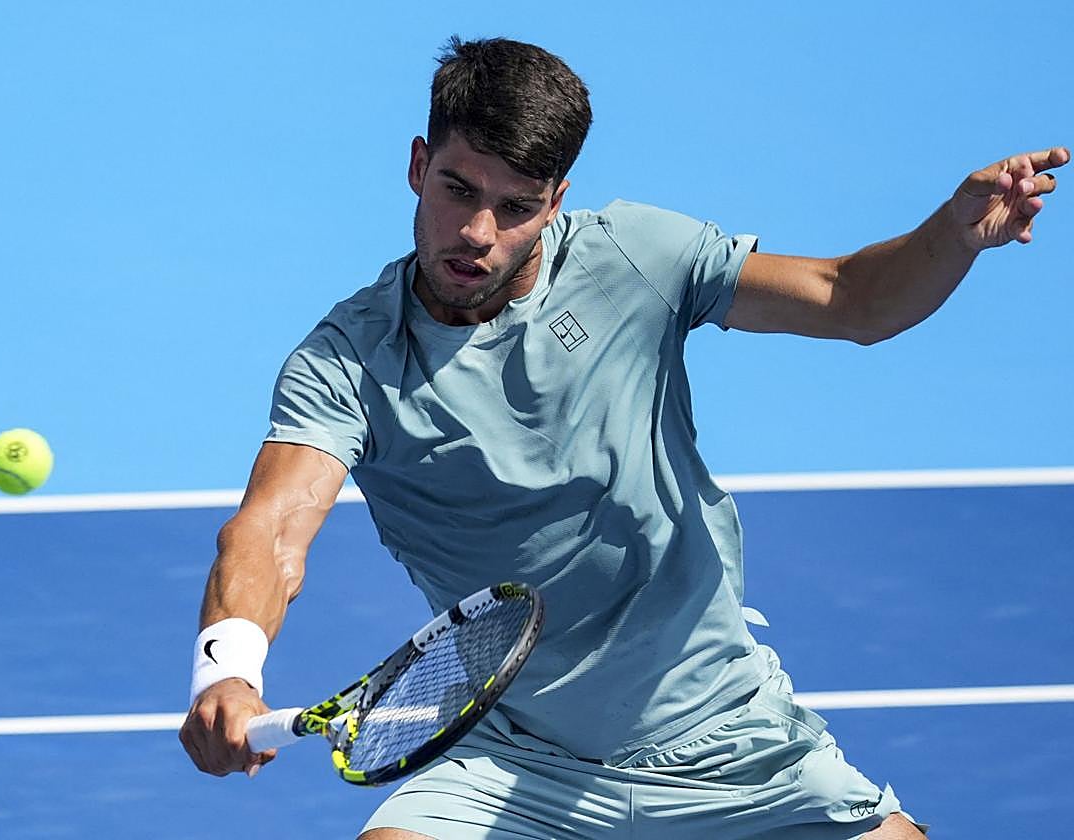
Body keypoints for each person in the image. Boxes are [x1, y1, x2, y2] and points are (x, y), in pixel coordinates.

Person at [179, 36, 1066, 840]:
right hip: (516, 758)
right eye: (458, 190)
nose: (478, 233)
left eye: (516, 206)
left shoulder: (634, 258)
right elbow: (272, 528)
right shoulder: (347, 361)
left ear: (557, 201)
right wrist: (227, 668)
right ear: (418, 166)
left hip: (726, 733)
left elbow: (850, 299)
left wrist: (952, 237)